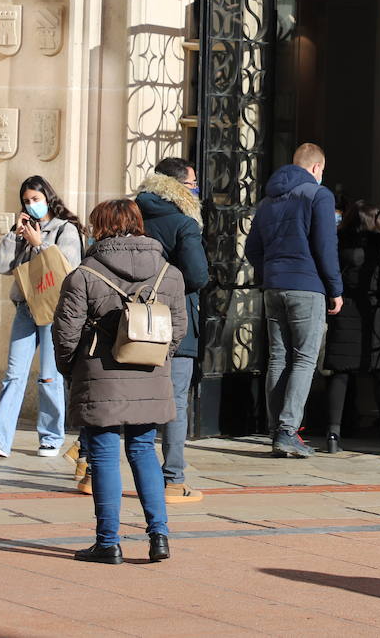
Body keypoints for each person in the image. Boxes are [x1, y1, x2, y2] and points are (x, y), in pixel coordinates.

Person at [52, 198, 186, 564]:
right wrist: (153, 356)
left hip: (100, 376)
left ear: (101, 227)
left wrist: (72, 369)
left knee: (104, 456)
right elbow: (178, 330)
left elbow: (66, 333)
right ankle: (159, 536)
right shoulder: (169, 273)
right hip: (150, 374)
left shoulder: (84, 273)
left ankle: (108, 543)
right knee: (144, 451)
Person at [245, 142, 343, 459]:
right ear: (316, 168)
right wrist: (335, 288)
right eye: (322, 171)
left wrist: (268, 272)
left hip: (274, 286)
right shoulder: (319, 195)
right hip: (307, 285)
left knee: (278, 358)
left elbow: (251, 248)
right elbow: (326, 247)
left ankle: (277, 430)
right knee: (303, 359)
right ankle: (288, 431)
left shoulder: (268, 201)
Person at [0, 175, 84, 460]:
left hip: (53, 310)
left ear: (48, 198)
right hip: (25, 308)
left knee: (49, 376)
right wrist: (16, 233)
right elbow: (0, 265)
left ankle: (51, 437)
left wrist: (39, 244)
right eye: (26, 200)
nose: (31, 204)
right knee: (13, 374)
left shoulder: (66, 230)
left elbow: (69, 269)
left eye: (35, 199)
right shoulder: (21, 230)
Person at [135, 156, 209, 502]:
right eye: (192, 184)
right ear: (179, 186)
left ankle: (127, 472)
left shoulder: (131, 214)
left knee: (135, 397)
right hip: (175, 323)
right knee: (175, 401)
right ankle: (173, 478)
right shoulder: (184, 223)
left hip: (133, 321)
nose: (196, 189)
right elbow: (198, 276)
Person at [322, 201, 380, 452]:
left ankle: (333, 434)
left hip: (343, 313)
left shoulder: (336, 245)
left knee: (340, 373)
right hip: (374, 317)